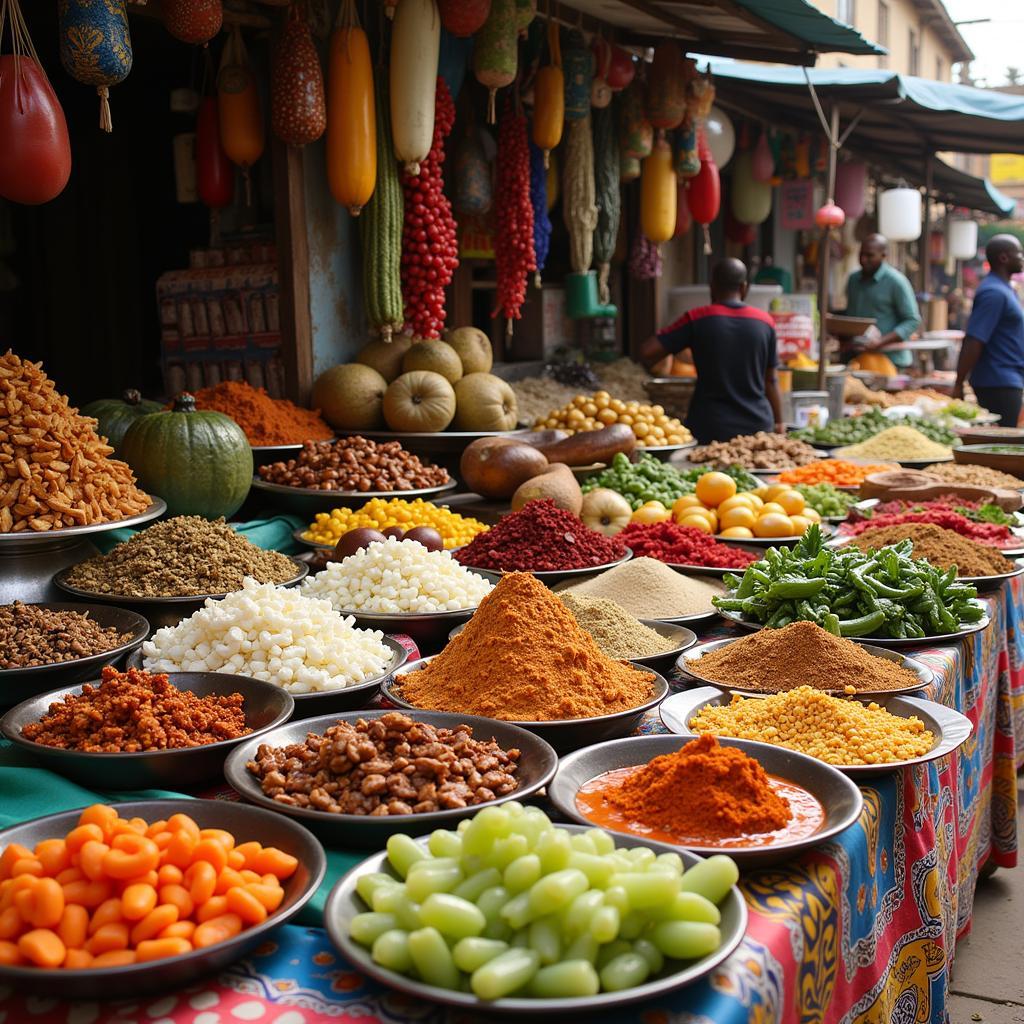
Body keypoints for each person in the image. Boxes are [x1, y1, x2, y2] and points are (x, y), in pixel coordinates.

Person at [640, 258, 783, 444]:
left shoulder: (696, 318)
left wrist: (677, 348)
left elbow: (647, 351)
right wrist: (779, 422)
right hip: (756, 429)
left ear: (712, 287)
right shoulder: (765, 322)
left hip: (710, 428)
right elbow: (771, 380)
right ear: (744, 287)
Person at [952, 234, 1024, 426]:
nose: (1022, 258)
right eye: (1019, 253)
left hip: (1007, 379)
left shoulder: (1005, 289)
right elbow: (974, 339)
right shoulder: (994, 293)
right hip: (998, 382)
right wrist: (959, 383)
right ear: (1004, 258)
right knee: (1003, 443)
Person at [843, 234, 922, 368]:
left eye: (869, 255)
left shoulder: (896, 282)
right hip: (858, 359)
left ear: (883, 256)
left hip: (890, 361)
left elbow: (912, 320)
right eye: (861, 255)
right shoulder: (853, 280)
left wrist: (881, 342)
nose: (863, 259)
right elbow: (851, 316)